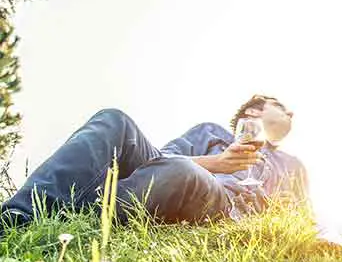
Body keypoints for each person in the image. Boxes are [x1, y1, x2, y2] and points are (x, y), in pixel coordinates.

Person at [0, 95, 307, 227]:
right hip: (181, 174)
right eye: (280, 106)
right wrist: (216, 163)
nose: (290, 113)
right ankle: (17, 217)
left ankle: (67, 219)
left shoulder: (292, 166)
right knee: (113, 120)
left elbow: (302, 219)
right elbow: (160, 159)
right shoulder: (209, 132)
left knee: (181, 171)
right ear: (252, 113)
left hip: (224, 203)